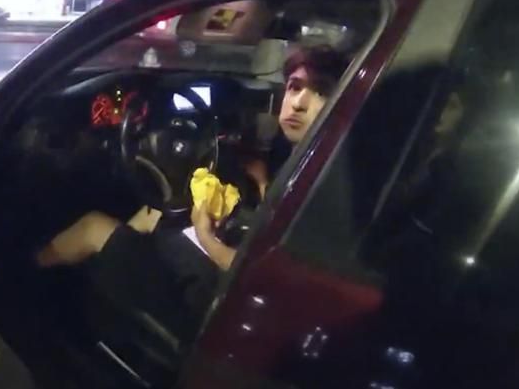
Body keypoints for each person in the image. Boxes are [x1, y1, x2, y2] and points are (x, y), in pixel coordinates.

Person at [33, 44, 348, 336]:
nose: (298, 103)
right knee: (156, 209)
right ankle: (108, 285)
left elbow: (260, 276)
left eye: (319, 92)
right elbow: (277, 227)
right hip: (219, 268)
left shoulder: (328, 187)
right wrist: (263, 184)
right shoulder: (310, 161)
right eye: (294, 87)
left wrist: (206, 234)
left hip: (213, 301)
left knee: (92, 226)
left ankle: (23, 280)